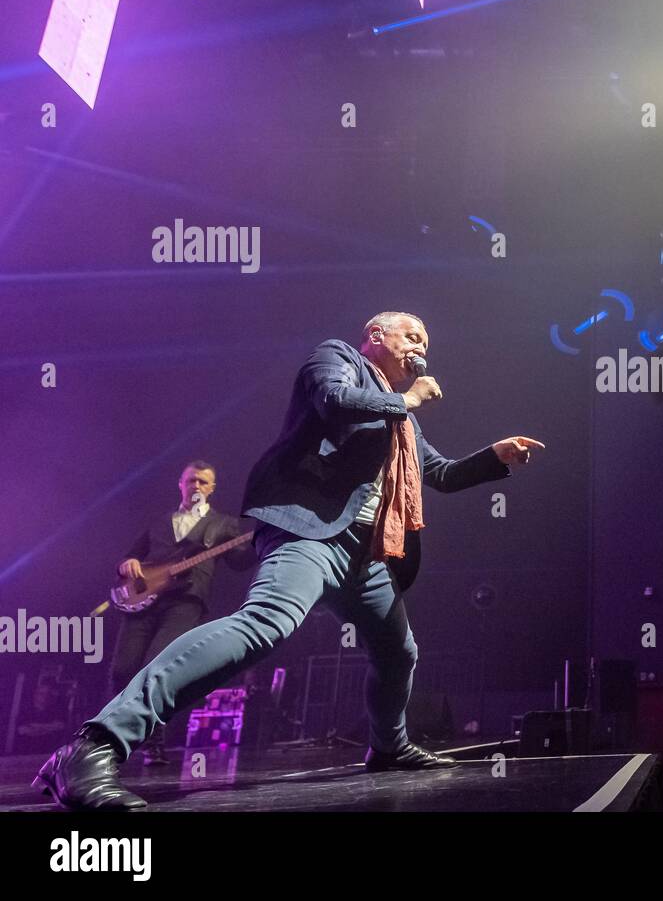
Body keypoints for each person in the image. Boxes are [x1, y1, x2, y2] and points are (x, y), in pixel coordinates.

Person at [36, 312, 544, 810]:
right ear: (375, 336)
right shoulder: (337, 358)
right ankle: (93, 747)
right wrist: (406, 398)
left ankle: (388, 747)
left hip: (366, 556)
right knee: (266, 624)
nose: (420, 346)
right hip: (310, 533)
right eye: (411, 335)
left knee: (398, 652)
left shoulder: (401, 418)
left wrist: (493, 457)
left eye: (425, 340)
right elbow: (334, 401)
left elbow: (441, 474)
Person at [108, 461, 255, 765]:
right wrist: (129, 562)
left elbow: (239, 563)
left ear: (212, 488)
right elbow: (130, 556)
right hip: (144, 601)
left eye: (203, 482)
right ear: (181, 484)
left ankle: (153, 742)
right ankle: (109, 738)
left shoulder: (222, 524)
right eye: (191, 481)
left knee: (157, 666)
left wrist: (262, 542)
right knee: (123, 669)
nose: (197, 487)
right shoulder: (160, 521)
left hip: (187, 601)